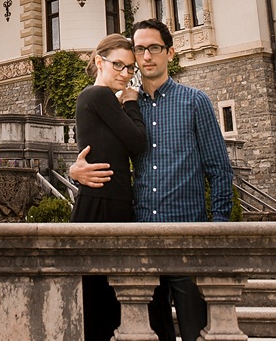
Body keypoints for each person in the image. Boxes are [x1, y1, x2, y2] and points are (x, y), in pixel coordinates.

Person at [70, 19, 233, 341]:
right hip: (141, 234)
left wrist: (221, 231)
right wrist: (73, 172)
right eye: (139, 49)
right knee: (153, 335)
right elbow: (100, 150)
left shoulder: (194, 101)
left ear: (169, 52)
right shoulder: (123, 103)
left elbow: (219, 169)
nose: (146, 57)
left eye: (153, 48)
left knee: (194, 331)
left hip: (188, 234)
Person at [71, 33, 147, 341]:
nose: (126, 74)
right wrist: (131, 103)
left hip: (104, 199)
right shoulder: (98, 96)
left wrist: (74, 170)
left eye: (131, 68)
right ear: (100, 62)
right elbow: (139, 143)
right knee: (99, 304)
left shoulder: (100, 100)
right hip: (102, 204)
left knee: (102, 302)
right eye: (118, 65)